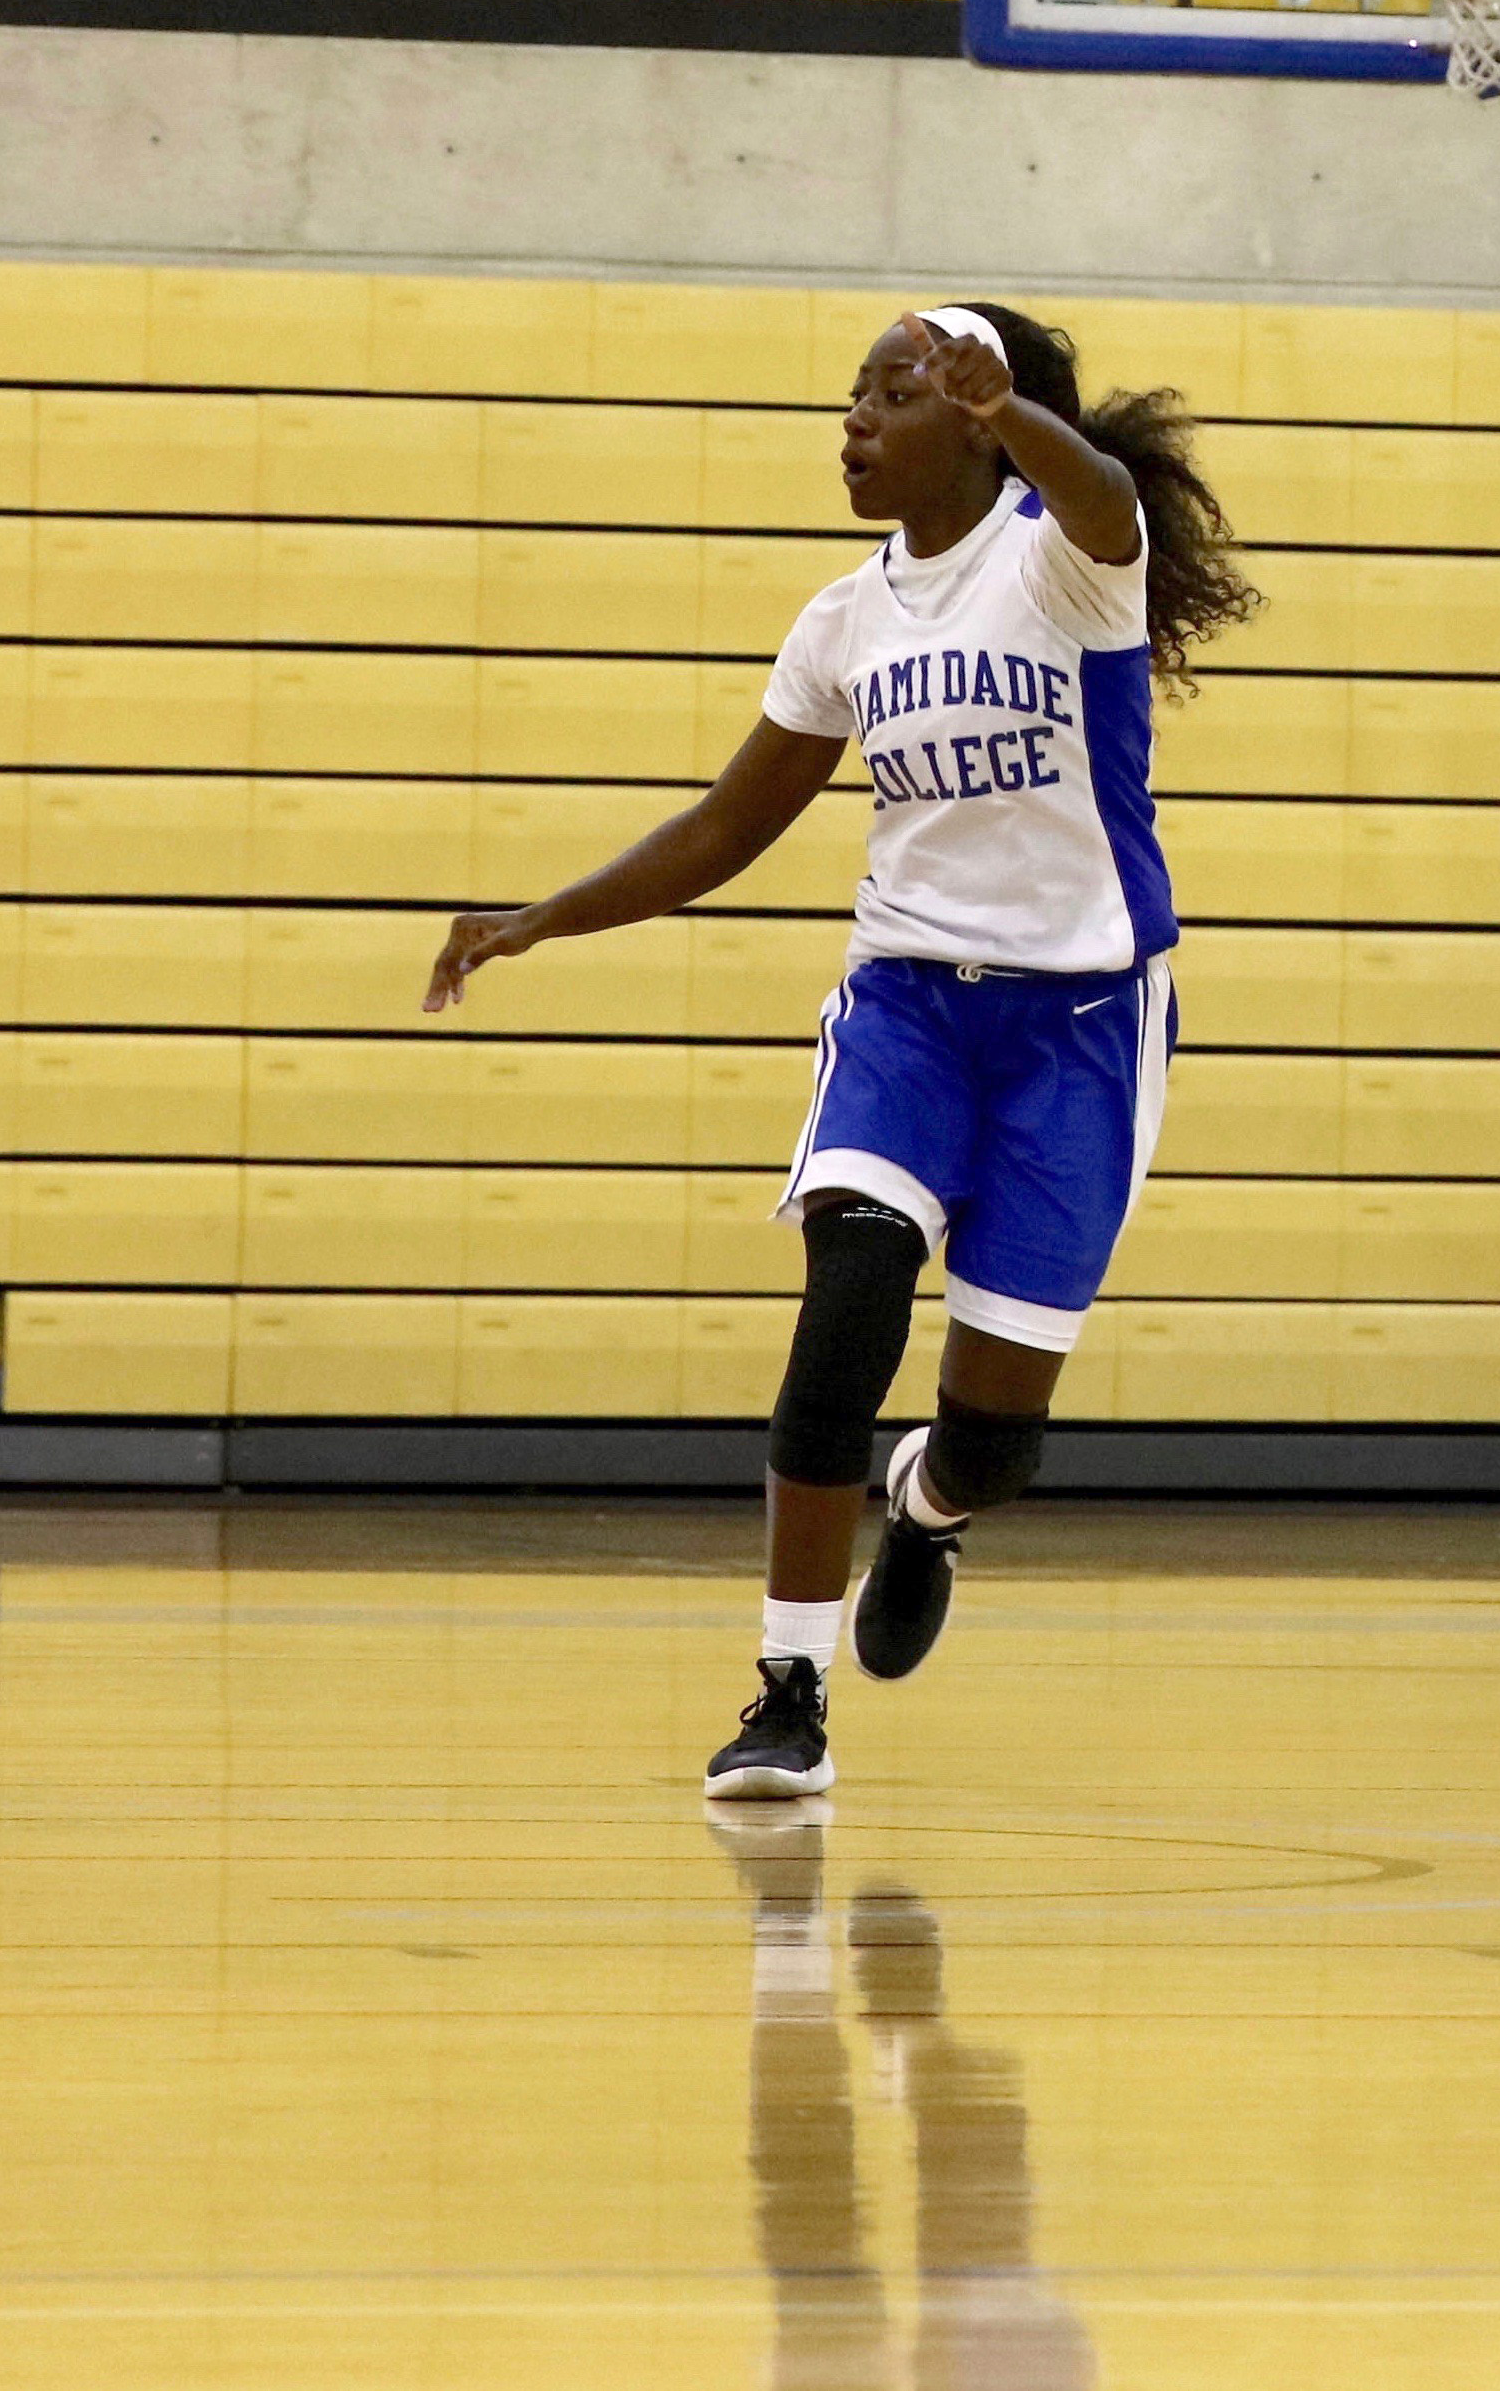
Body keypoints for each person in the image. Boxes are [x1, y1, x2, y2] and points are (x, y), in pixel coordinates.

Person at [423, 303, 1254, 1800]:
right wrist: (538, 916)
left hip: (1078, 1026)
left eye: (890, 391)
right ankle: (787, 1695)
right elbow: (723, 829)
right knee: (849, 1296)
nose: (853, 421)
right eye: (849, 396)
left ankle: (926, 1506)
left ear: (976, 414)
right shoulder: (843, 619)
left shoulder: (1062, 556)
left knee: (997, 1440)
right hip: (910, 1005)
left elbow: (1106, 496)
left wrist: (1019, 417)